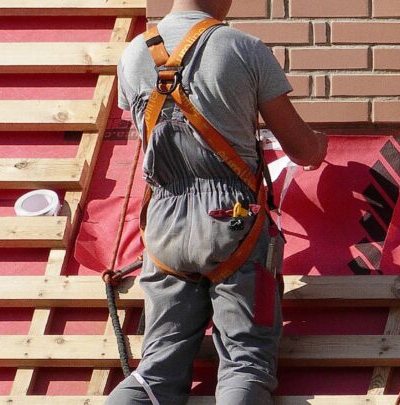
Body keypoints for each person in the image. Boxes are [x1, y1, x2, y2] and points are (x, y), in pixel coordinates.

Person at [106, 0, 326, 404]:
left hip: (164, 225)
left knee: (156, 371)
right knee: (246, 366)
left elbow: (149, 143)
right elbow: (301, 150)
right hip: (232, 221)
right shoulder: (242, 48)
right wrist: (318, 148)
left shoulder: (134, 53)